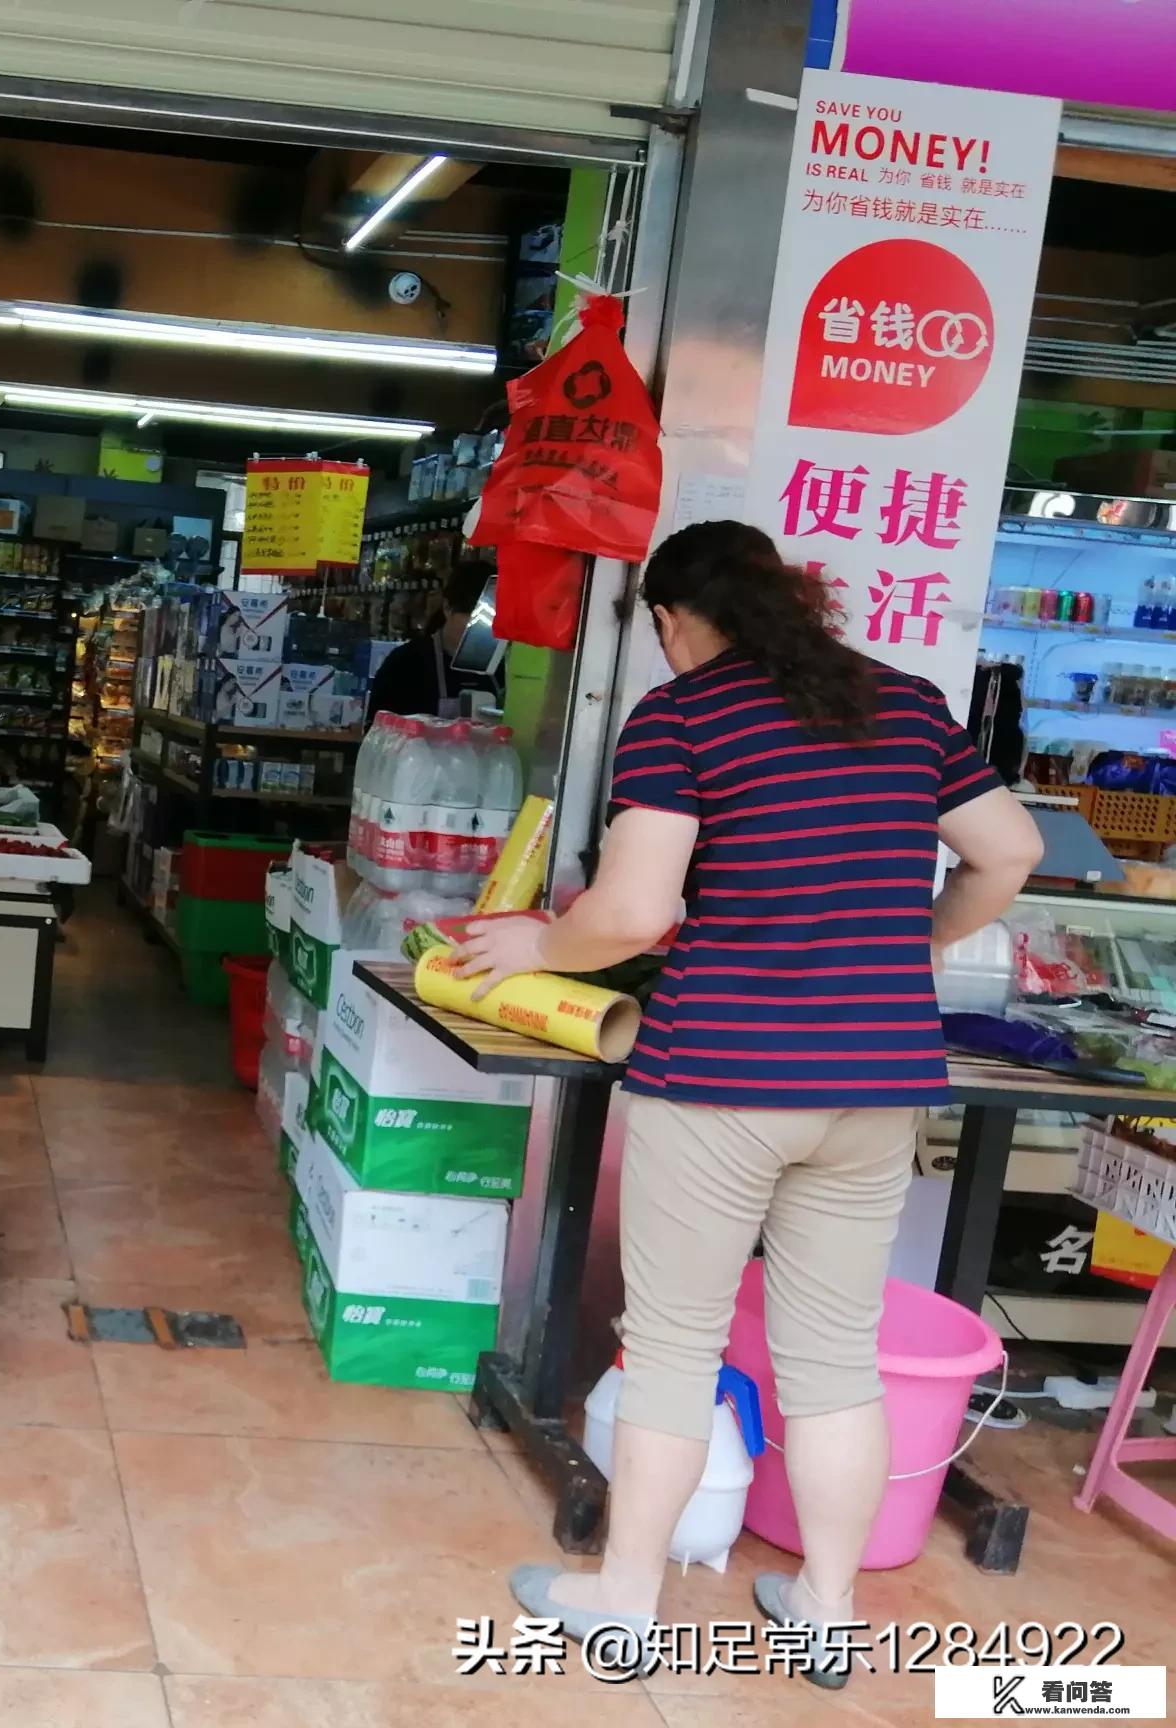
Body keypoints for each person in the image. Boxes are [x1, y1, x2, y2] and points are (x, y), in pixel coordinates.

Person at [454, 520, 1042, 1685]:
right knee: (835, 1358)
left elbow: (627, 914)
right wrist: (909, 944)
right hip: (876, 1081)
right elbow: (1010, 848)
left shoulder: (681, 718)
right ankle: (823, 1610)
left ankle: (623, 1599)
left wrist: (535, 946)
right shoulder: (905, 703)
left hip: (723, 1072)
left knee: (674, 1343)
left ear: (674, 619)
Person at [367, 561, 496, 719]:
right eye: (479, 619)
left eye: (496, 620)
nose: (488, 629)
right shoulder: (405, 664)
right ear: (448, 608)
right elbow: (379, 734)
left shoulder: (502, 669)